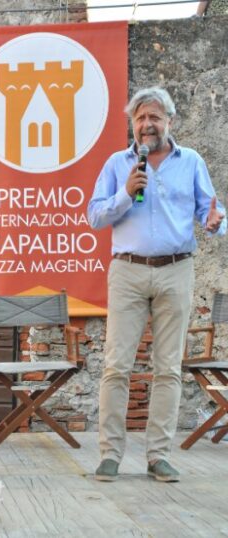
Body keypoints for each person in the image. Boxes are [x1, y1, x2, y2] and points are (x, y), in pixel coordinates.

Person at [87, 87, 225, 483]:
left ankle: (158, 456)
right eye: (140, 118)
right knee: (116, 366)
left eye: (155, 117)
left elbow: (210, 210)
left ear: (170, 121)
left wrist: (217, 223)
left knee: (168, 368)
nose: (147, 125)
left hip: (176, 269)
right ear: (132, 124)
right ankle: (110, 455)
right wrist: (125, 195)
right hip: (128, 270)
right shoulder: (117, 164)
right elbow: (95, 216)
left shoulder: (192, 161)